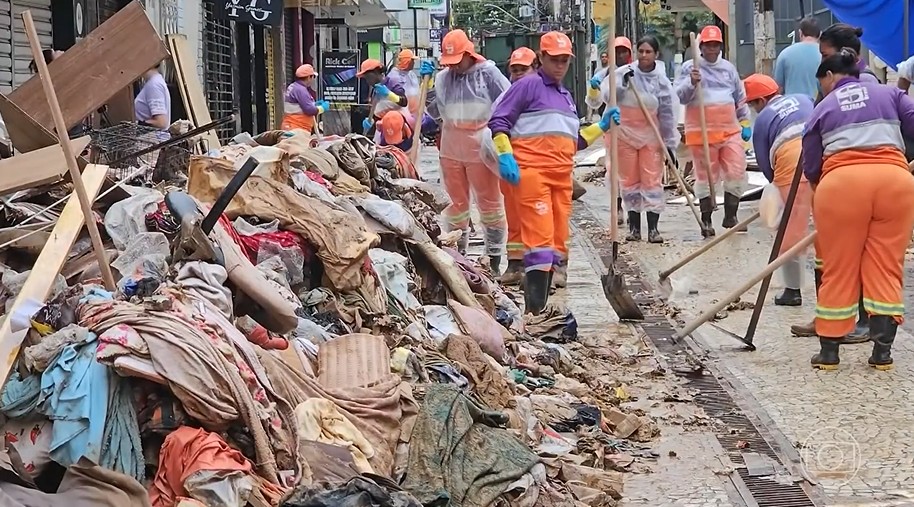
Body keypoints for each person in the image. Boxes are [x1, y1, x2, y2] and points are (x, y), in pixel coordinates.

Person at [488, 31, 621, 315]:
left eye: (565, 60)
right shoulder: (527, 85)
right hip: (533, 173)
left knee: (558, 244)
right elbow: (499, 120)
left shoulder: (565, 97)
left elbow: (575, 141)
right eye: (555, 59)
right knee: (540, 241)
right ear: (542, 58)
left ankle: (546, 310)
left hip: (562, 178)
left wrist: (603, 126)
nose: (560, 65)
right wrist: (506, 155)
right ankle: (535, 313)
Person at [802, 48, 914, 370]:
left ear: (829, 76)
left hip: (841, 186)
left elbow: (811, 160)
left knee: (839, 266)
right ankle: (882, 353)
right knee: (886, 264)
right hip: (895, 183)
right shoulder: (890, 92)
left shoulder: (824, 106)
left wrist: (819, 185)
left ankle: (830, 353)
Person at [792, 23, 877, 339]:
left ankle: (864, 321)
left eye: (825, 56)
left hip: (852, 182)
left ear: (846, 56)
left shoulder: (863, 84)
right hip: (830, 181)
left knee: (859, 252)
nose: (821, 64)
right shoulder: (828, 84)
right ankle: (828, 319)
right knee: (826, 254)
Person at [421, 29, 509, 270]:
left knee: (489, 204)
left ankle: (492, 257)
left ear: (469, 54)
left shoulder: (488, 74)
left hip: (480, 146)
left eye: (458, 61)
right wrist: (427, 85)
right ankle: (458, 255)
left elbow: (508, 104)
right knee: (455, 205)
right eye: (450, 63)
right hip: (450, 147)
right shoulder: (443, 78)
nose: (454, 67)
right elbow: (435, 111)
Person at [587, 35, 677, 243]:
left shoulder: (661, 81)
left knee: (652, 181)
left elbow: (667, 113)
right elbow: (602, 99)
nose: (644, 55)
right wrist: (619, 86)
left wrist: (670, 144)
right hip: (624, 135)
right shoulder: (623, 74)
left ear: (656, 54)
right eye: (641, 51)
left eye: (648, 52)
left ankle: (653, 229)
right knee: (629, 182)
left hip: (650, 137)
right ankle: (634, 228)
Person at [674, 24, 751, 238]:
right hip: (701, 133)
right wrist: (691, 82)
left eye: (715, 45)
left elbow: (739, 96)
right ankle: (706, 220)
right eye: (707, 45)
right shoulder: (690, 67)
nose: (711, 50)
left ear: (721, 46)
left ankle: (731, 216)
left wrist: (744, 122)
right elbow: (679, 96)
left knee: (736, 171)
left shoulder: (728, 69)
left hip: (729, 131)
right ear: (701, 47)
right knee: (706, 177)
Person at [744, 74, 814, 308]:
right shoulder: (804, 99)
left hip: (789, 160)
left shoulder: (764, 118)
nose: (753, 109)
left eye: (753, 104)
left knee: (790, 229)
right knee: (827, 222)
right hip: (822, 155)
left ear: (762, 101)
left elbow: (764, 163)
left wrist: (781, 192)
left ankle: (793, 292)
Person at [498, 46, 539, 285]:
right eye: (515, 70)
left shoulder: (546, 94)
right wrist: (503, 156)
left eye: (524, 69)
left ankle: (546, 269)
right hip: (513, 165)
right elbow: (497, 125)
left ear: (535, 69)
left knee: (539, 218)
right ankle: (515, 264)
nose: (519, 74)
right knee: (514, 216)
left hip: (538, 166)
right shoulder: (507, 96)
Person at [589, 36, 634, 226]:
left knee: (632, 172)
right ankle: (617, 207)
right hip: (612, 126)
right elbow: (594, 103)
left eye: (624, 51)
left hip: (634, 127)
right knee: (613, 169)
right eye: (618, 51)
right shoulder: (604, 75)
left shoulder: (636, 72)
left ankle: (634, 210)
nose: (621, 55)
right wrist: (594, 89)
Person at [358, 58, 412, 139]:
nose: (367, 81)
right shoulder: (375, 89)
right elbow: (377, 110)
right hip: (382, 130)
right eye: (365, 78)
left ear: (376, 73)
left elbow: (404, 102)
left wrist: (389, 94)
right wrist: (371, 120)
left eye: (368, 77)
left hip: (398, 129)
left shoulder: (392, 83)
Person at [773, 16, 821, 99]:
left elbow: (778, 88)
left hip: (791, 107)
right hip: (817, 107)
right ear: (820, 34)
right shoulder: (825, 55)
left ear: (800, 33)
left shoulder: (785, 54)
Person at [281, 64, 329, 133]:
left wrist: (314, 104)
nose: (313, 79)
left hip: (292, 127)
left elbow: (300, 106)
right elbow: (309, 110)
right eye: (313, 77)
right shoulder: (300, 90)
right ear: (309, 77)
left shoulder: (294, 86)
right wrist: (322, 108)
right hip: (296, 128)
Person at [135, 64, 172, 130]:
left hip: (152, 138)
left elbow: (161, 123)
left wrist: (137, 124)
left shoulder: (154, 85)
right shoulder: (155, 81)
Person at [387, 49, 422, 117]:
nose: (414, 63)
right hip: (400, 115)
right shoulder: (394, 77)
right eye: (412, 61)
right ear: (407, 62)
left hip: (414, 114)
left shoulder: (411, 75)